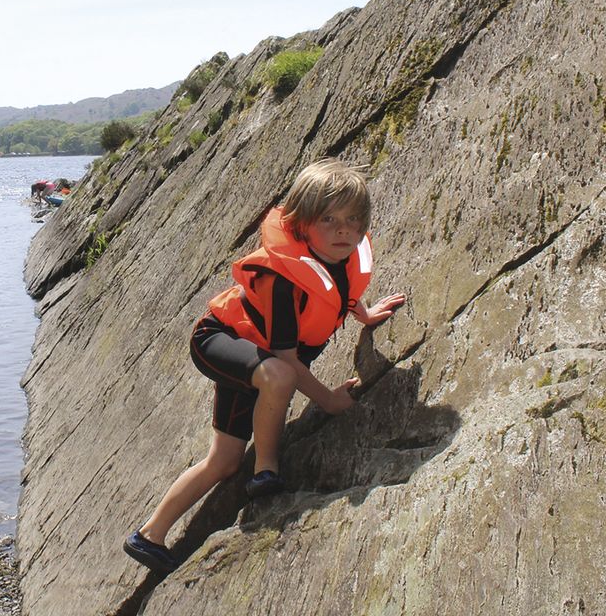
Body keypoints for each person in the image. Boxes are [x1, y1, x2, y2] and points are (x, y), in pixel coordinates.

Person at [123, 158, 407, 574]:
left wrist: (365, 315)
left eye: (353, 220)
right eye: (328, 218)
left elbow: (339, 288)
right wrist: (328, 400)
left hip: (260, 359)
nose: (344, 229)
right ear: (300, 222)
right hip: (221, 340)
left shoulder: (337, 254)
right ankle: (266, 470)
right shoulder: (282, 276)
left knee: (222, 461)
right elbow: (288, 359)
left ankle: (148, 536)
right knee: (279, 374)